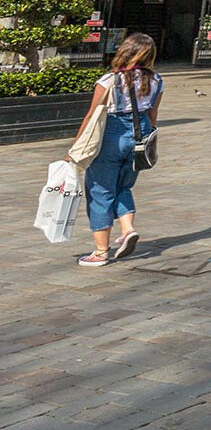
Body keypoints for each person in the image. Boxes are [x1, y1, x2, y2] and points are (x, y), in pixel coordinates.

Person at [63, 33, 162, 266]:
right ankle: (128, 229)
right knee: (123, 185)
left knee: (100, 190)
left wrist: (75, 147)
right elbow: (153, 114)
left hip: (112, 135)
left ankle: (100, 252)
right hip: (140, 135)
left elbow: (91, 116)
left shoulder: (109, 80)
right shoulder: (157, 80)